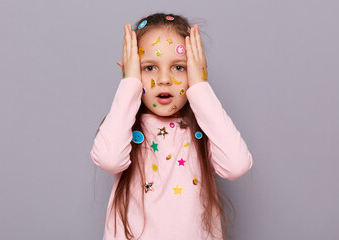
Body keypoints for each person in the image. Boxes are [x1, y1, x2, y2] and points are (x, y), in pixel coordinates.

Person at [90, 12, 253, 240]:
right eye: (149, 68)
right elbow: (108, 158)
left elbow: (236, 165)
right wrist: (130, 84)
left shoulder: (203, 129)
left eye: (178, 67)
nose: (164, 79)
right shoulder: (124, 128)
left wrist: (199, 87)